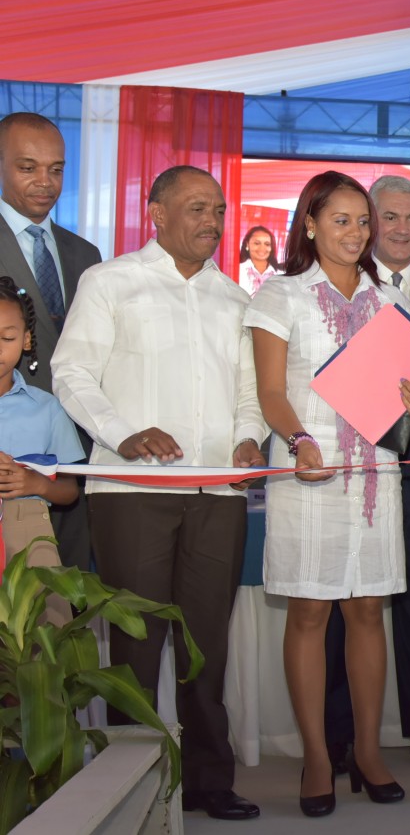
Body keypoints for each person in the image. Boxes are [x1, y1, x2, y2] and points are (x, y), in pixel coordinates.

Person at [52, 165, 267, 820]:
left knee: (207, 644)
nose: (211, 219)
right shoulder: (110, 282)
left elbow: (250, 395)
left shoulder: (236, 298)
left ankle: (208, 780)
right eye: (197, 206)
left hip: (219, 495)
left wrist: (250, 438)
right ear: (156, 212)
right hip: (130, 490)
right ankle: (135, 785)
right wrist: (123, 432)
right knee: (137, 646)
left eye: (219, 209)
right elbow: (71, 371)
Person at [244, 171, 410, 816]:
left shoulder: (392, 301)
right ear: (308, 224)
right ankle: (316, 757)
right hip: (309, 469)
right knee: (309, 614)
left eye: (364, 221)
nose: (357, 232)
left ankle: (367, 749)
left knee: (368, 611)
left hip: (376, 475)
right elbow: (270, 393)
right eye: (341, 220)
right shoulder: (281, 296)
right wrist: (300, 440)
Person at [320, 174, 410, 770]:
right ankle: (340, 740)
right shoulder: (342, 286)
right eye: (391, 217)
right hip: (353, 474)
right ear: (369, 222)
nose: (402, 229)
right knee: (343, 609)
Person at [0, 112, 101, 572]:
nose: (45, 182)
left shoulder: (85, 253)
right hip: (10, 439)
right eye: (27, 167)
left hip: (74, 451)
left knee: (66, 597)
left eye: (56, 169)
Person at [0, 276, 82, 590]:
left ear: (26, 340)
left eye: (7, 337)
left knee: (34, 630)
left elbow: (69, 490)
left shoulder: (47, 408)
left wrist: (34, 483)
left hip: (29, 531)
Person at [237, 225, 279, 295]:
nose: (262, 248)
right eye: (257, 243)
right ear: (247, 245)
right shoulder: (238, 270)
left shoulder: (280, 273)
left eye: (267, 244)